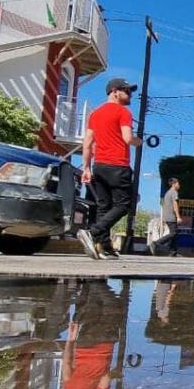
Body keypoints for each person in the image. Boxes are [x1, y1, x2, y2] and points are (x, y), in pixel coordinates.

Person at [77, 78, 140, 260]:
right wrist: (139, 141)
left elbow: (87, 143)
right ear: (114, 91)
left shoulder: (95, 114)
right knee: (124, 205)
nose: (130, 95)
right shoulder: (123, 112)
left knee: (104, 207)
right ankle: (92, 232)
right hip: (118, 165)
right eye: (126, 91)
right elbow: (128, 138)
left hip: (99, 166)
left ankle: (104, 247)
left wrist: (86, 168)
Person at [149, 177, 181, 257]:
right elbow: (175, 204)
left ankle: (173, 252)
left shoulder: (167, 193)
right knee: (173, 233)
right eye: (178, 183)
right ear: (174, 184)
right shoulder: (174, 192)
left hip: (167, 216)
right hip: (171, 216)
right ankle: (156, 243)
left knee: (174, 234)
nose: (179, 185)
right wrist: (178, 216)